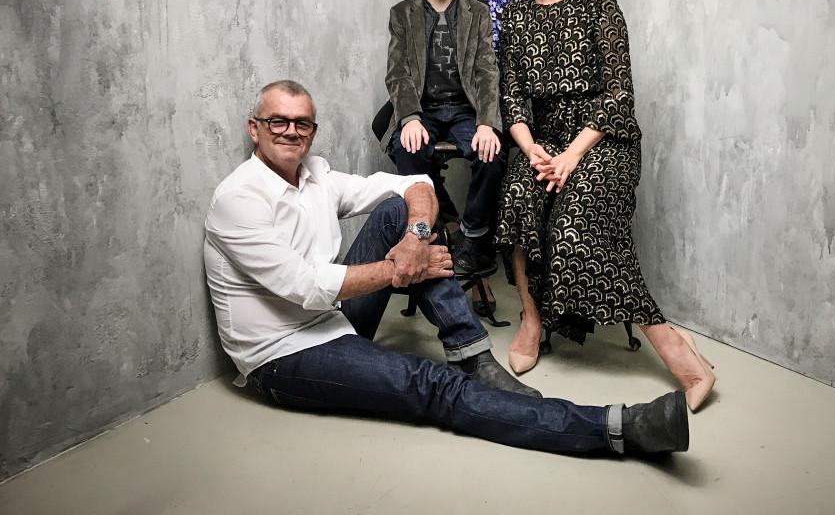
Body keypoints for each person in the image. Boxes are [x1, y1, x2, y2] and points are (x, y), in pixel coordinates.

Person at [203, 79, 690, 457]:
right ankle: (616, 429)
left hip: (335, 321)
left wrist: (414, 239)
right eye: (277, 122)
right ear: (255, 128)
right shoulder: (238, 199)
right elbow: (305, 287)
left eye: (301, 123)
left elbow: (414, 183)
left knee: (400, 210)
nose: (291, 131)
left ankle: (471, 352)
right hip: (283, 355)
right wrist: (402, 271)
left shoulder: (317, 175)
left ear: (312, 131)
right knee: (431, 386)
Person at [496, 0, 717, 412]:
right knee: (518, 194)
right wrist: (531, 148)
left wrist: (572, 155)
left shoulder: (600, 4)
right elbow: (511, 98)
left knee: (576, 223)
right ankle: (532, 318)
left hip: (603, 140)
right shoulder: (517, 14)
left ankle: (675, 347)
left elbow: (618, 93)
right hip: (540, 140)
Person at [381, 0, 506, 279]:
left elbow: (485, 71)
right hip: (425, 109)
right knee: (408, 151)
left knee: (492, 154)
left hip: (466, 108)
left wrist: (485, 122)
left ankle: (471, 235)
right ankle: (441, 221)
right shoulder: (402, 14)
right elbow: (398, 72)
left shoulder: (477, 13)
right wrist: (409, 118)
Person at [451, 0, 538, 314]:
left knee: (494, 151)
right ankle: (451, 236)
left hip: (503, 72)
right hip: (452, 72)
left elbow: (534, 9)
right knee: (394, 132)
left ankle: (473, 239)